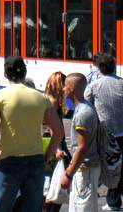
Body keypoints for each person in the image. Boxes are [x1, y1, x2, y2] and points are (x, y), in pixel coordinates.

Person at [0, 56, 64, 212]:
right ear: (25, 73)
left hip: (9, 162)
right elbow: (59, 132)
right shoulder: (42, 98)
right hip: (35, 161)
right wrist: (46, 157)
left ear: (6, 74)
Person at [85, 54, 123, 211]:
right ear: (114, 67)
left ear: (99, 68)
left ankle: (113, 202)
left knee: (110, 165)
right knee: (118, 162)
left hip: (107, 130)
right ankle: (120, 187)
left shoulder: (94, 86)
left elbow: (86, 107)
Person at [60, 73, 100, 212]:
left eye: (65, 85)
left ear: (71, 88)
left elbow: (82, 147)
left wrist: (68, 174)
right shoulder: (84, 107)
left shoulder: (83, 113)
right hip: (86, 168)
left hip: (85, 170)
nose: (63, 89)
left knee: (81, 208)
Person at [43, 72, 71, 212]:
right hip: (56, 145)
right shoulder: (52, 102)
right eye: (64, 84)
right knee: (55, 186)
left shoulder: (50, 100)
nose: (66, 88)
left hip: (56, 144)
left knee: (54, 186)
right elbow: (51, 128)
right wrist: (57, 150)